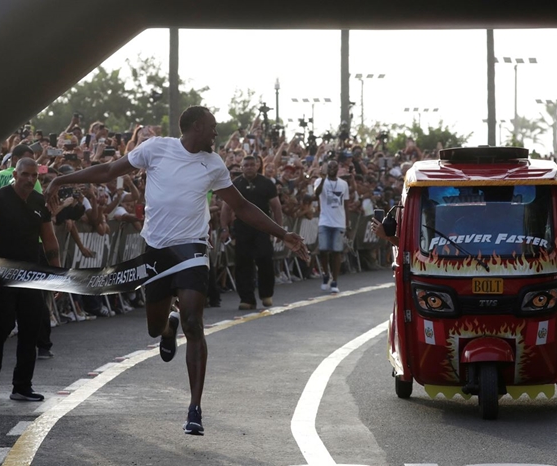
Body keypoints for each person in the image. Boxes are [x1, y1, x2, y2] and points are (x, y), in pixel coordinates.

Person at [45, 105, 309, 436]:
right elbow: (109, 170)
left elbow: (241, 206)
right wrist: (60, 178)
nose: (216, 134)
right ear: (196, 127)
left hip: (192, 248)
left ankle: (195, 408)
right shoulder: (157, 148)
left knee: (195, 323)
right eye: (212, 127)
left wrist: (283, 233)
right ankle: (169, 327)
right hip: (157, 249)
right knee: (155, 329)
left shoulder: (213, 164)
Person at [0, 158, 60, 402]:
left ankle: (22, 386)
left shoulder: (40, 202)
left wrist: (58, 274)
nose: (30, 180)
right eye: (25, 174)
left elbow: (49, 240)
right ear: (15, 174)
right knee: (2, 325)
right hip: (2, 273)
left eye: (34, 176)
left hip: (31, 274)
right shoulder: (0, 198)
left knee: (30, 329)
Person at [220, 155, 282, 310]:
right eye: (246, 165)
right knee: (243, 263)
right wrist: (224, 228)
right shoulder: (235, 184)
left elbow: (276, 207)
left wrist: (279, 230)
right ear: (241, 167)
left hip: (263, 228)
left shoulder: (267, 183)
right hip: (242, 229)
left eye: (251, 165)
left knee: (265, 259)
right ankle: (247, 299)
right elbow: (226, 208)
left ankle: (266, 294)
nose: (249, 167)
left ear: (257, 166)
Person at [314, 160, 351, 293]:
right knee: (323, 250)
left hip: (339, 222)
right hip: (324, 221)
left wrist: (347, 223)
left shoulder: (343, 184)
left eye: (335, 167)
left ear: (338, 169)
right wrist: (323, 179)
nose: (332, 169)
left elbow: (346, 205)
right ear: (327, 168)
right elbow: (315, 194)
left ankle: (334, 280)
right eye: (330, 167)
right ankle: (325, 274)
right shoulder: (319, 181)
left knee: (336, 252)